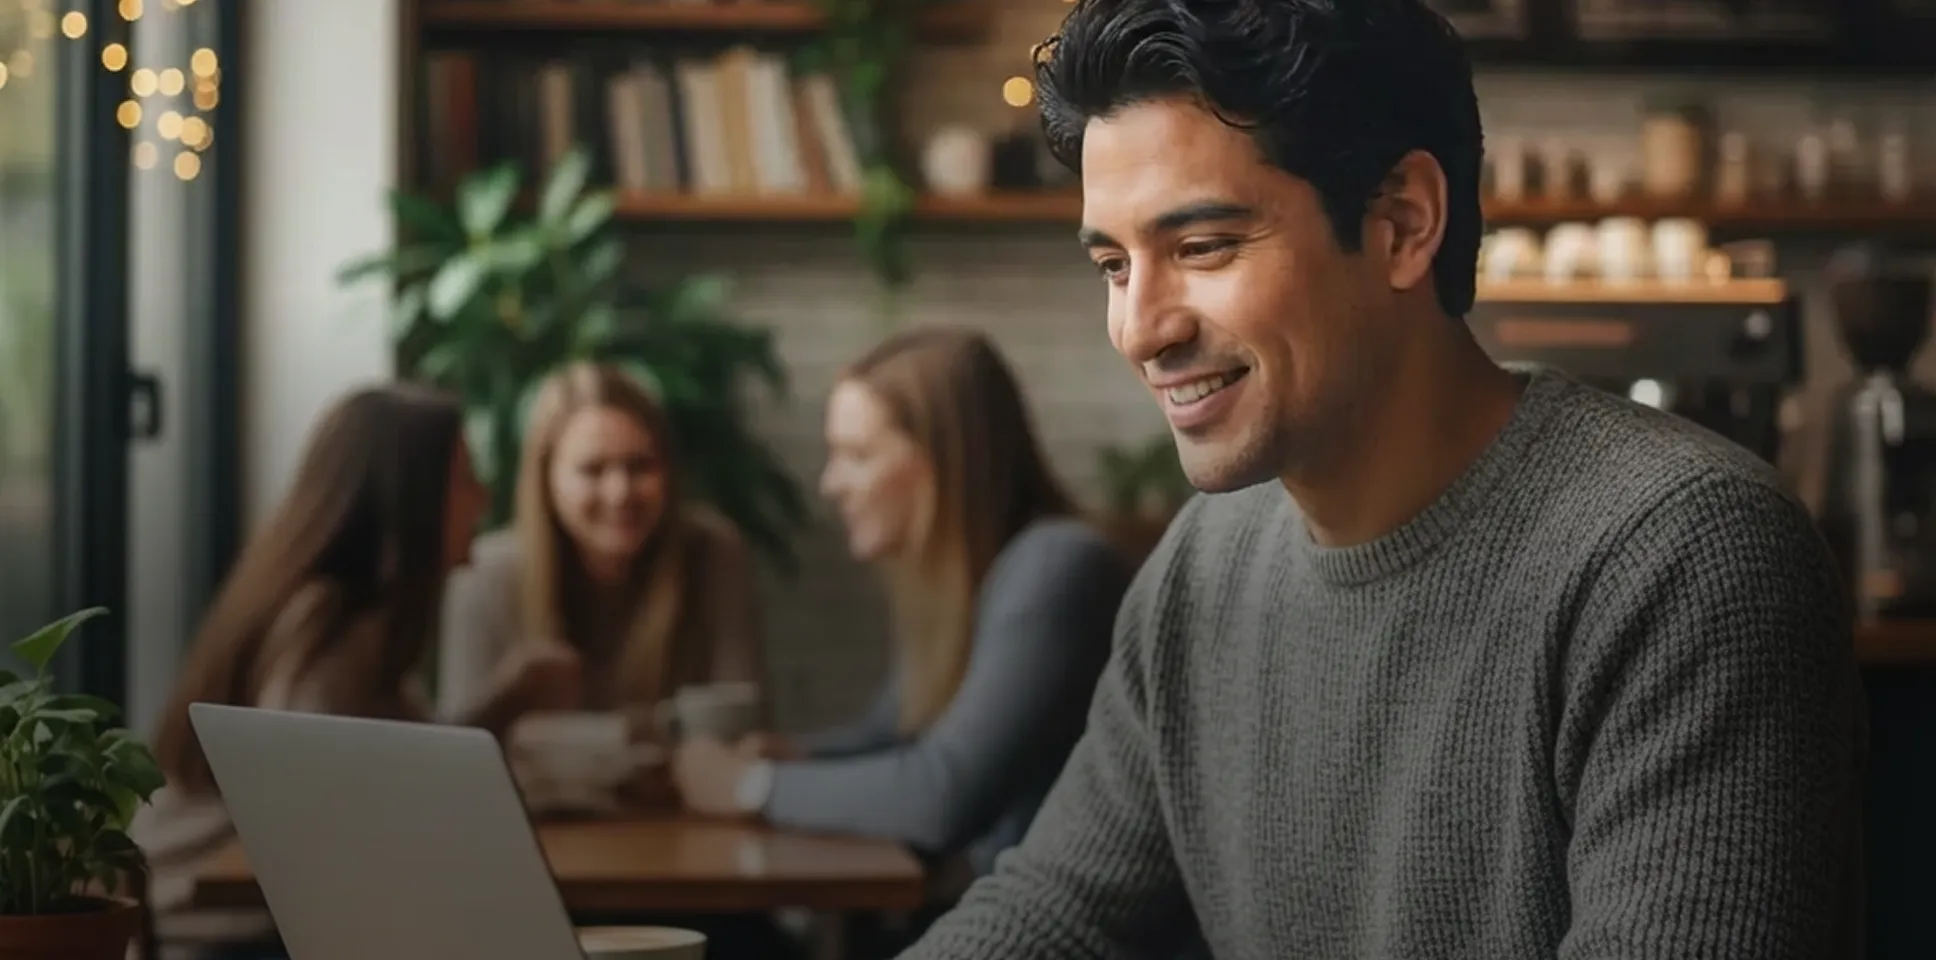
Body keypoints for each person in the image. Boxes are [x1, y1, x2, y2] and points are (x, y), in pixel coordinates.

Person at [897, 1, 1866, 958]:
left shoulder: (1683, 557)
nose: (1140, 327)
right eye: (1114, 264)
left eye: (1200, 248)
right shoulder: (1206, 565)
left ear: (1403, 223)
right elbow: (1056, 910)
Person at [671, 327, 1131, 892]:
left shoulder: (1057, 568)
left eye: (857, 456)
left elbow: (942, 795)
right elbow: (894, 733)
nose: (830, 484)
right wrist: (795, 758)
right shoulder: (963, 582)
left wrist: (750, 786)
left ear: (943, 464)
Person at [135, 383, 558, 960]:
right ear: (411, 496)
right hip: (226, 935)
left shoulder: (346, 616)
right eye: (464, 479)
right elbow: (325, 823)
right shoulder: (328, 632)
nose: (483, 498)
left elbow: (386, 768)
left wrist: (506, 700)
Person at [439, 361, 763, 734]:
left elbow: (744, 725)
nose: (620, 492)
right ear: (547, 481)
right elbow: (460, 751)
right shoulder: (486, 575)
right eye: (593, 470)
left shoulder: (713, 553)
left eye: (640, 466)